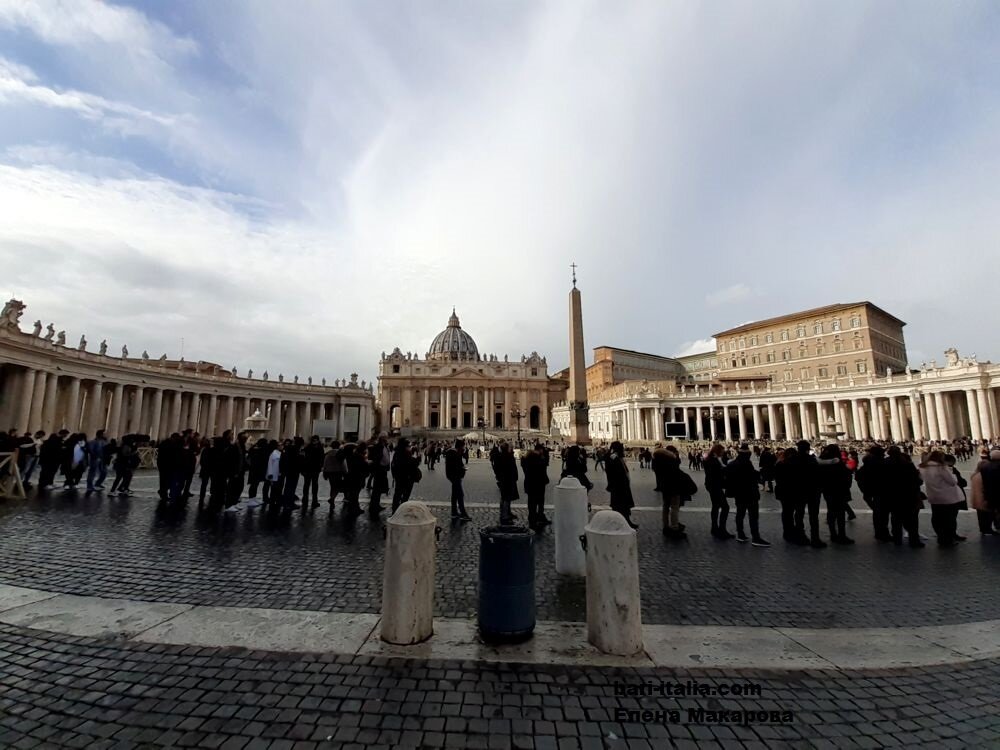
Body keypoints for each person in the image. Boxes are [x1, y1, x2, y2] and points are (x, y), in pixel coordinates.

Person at [725, 444, 770, 547]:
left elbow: (728, 478)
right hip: (750, 493)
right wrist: (760, 476)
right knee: (753, 515)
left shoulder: (733, 464)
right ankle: (755, 537)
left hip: (739, 494)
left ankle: (740, 534)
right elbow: (752, 476)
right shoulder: (746, 463)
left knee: (740, 513)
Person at [920, 449, 965, 547]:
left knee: (937, 518)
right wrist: (953, 474)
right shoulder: (941, 468)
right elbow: (952, 481)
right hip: (947, 496)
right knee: (949, 519)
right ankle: (948, 539)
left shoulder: (924, 467)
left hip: (934, 496)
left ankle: (941, 537)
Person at [883, 446, 924, 548]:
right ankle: (914, 541)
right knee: (912, 519)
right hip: (908, 495)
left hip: (892, 495)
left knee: (896, 518)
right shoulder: (907, 464)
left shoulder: (884, 464)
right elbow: (917, 480)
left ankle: (897, 539)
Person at [817, 444, 853, 545]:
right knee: (840, 514)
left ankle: (833, 534)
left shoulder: (821, 463)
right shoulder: (838, 463)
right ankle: (842, 535)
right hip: (840, 491)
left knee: (831, 512)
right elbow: (846, 476)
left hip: (828, 491)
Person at [792, 441, 825, 548]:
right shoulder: (812, 459)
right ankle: (815, 539)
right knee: (814, 516)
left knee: (799, 514)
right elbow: (819, 475)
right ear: (808, 448)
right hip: (813, 491)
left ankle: (800, 537)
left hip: (798, 491)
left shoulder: (793, 460)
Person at [653, 444, 689, 539]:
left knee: (665, 507)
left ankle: (666, 526)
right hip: (673, 486)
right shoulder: (671, 460)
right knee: (674, 507)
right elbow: (676, 472)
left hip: (664, 487)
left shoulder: (658, 460)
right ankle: (674, 527)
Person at [856, 446, 889, 541]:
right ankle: (883, 533)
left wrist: (865, 491)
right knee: (882, 514)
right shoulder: (880, 464)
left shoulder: (866, 464)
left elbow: (859, 477)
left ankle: (879, 533)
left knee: (877, 513)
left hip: (870, 492)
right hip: (880, 491)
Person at [702, 444, 731, 539]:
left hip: (712, 485)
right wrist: (725, 469)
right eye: (722, 451)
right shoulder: (712, 460)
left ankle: (715, 528)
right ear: (718, 451)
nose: (723, 453)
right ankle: (721, 529)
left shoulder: (710, 459)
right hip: (714, 486)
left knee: (716, 506)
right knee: (725, 507)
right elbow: (716, 473)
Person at [970, 449, 1000, 536]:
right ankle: (989, 529)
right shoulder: (989, 471)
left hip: (980, 498)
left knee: (982, 516)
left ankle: (984, 529)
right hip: (985, 497)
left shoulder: (976, 474)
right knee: (991, 514)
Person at [521, 442, 550, 529]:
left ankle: (533, 518)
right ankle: (535, 520)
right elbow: (543, 466)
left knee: (532, 502)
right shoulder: (537, 459)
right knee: (538, 502)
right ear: (540, 450)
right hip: (538, 484)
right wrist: (545, 456)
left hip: (530, 483)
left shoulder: (527, 458)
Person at [493, 441, 520, 525]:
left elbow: (496, 468)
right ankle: (505, 516)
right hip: (507, 480)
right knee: (506, 498)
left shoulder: (501, 456)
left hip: (504, 479)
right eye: (510, 448)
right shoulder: (507, 457)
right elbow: (511, 468)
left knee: (505, 497)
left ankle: (507, 513)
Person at [445, 439, 472, 522]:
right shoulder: (455, 453)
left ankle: (454, 512)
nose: (464, 448)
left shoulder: (453, 453)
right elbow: (457, 466)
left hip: (452, 476)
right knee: (460, 495)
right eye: (463, 446)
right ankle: (463, 514)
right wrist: (463, 470)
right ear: (460, 446)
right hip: (455, 476)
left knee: (455, 495)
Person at [390, 438, 419, 513]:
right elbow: (410, 464)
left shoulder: (397, 453)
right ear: (405, 446)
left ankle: (395, 509)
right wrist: (417, 460)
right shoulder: (405, 453)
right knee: (405, 495)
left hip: (399, 477)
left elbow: (393, 465)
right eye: (408, 445)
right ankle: (401, 510)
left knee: (398, 494)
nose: (409, 447)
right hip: (406, 478)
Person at [366, 435, 391, 517]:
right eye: (386, 439)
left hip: (383, 469)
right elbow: (376, 458)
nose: (387, 440)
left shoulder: (384, 446)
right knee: (377, 489)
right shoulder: (378, 447)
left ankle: (376, 504)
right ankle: (373, 506)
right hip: (379, 470)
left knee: (379, 489)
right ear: (383, 440)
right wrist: (378, 466)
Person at [302, 435, 325, 511]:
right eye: (314, 440)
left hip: (313, 469)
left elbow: (322, 458)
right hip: (311, 469)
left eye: (316, 440)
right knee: (308, 485)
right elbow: (321, 458)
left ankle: (312, 501)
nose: (315, 441)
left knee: (312, 485)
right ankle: (307, 500)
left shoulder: (310, 447)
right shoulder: (316, 447)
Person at [323, 440, 345, 508]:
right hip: (338, 472)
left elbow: (325, 464)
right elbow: (343, 464)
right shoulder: (340, 453)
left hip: (330, 472)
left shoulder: (328, 454)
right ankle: (332, 498)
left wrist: (324, 472)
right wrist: (345, 472)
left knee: (332, 486)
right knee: (337, 487)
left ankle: (332, 499)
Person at [247, 438, 269, 504]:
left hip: (256, 470)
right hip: (255, 470)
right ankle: (251, 499)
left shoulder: (256, 449)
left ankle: (253, 498)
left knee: (255, 484)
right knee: (254, 484)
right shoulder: (258, 450)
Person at [196, 437, 214, 505]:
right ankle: (210, 495)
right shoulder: (212, 450)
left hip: (205, 470)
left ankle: (202, 497)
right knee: (209, 483)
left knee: (204, 484)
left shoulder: (205, 450)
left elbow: (201, 461)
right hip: (210, 470)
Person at [264, 440, 282, 506]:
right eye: (279, 445)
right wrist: (270, 474)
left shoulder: (278, 453)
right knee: (273, 488)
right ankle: (272, 500)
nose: (281, 446)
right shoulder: (274, 454)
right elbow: (270, 464)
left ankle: (273, 499)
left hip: (276, 474)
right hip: (273, 474)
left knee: (274, 488)